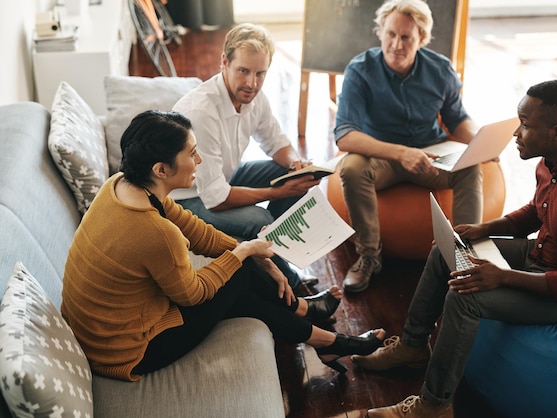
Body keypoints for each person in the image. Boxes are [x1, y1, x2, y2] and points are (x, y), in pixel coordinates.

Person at [351, 80, 557, 418]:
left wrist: (504, 278)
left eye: (525, 125)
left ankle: (434, 406)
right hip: (544, 254)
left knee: (466, 297)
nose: (516, 134)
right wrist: (484, 229)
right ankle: (412, 346)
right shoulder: (553, 161)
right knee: (446, 250)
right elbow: (536, 210)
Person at [60, 110, 385, 381]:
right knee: (238, 274)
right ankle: (311, 318)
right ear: (161, 169)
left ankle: (323, 338)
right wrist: (244, 252)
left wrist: (261, 258)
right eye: (191, 153)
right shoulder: (154, 231)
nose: (199, 159)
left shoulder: (120, 185)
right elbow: (195, 294)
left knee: (241, 274)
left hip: (103, 332)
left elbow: (195, 230)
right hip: (129, 350)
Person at [334, 0, 483, 293]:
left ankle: (465, 257)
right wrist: (401, 152)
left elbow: (457, 117)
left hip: (430, 154)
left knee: (471, 167)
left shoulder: (440, 70)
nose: (396, 44)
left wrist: (478, 141)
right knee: (351, 168)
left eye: (406, 38)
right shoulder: (360, 70)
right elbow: (345, 135)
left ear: (422, 40)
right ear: (381, 33)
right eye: (390, 34)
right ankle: (368, 258)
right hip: (382, 155)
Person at [172, 23, 320, 297]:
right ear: (224, 62)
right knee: (259, 217)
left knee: (294, 175)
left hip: (221, 179)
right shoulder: (202, 111)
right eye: (244, 71)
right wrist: (277, 192)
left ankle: (280, 253)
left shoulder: (254, 97)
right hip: (187, 200)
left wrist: (296, 163)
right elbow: (215, 198)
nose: (252, 83)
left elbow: (277, 143)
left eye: (260, 73)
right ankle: (295, 290)